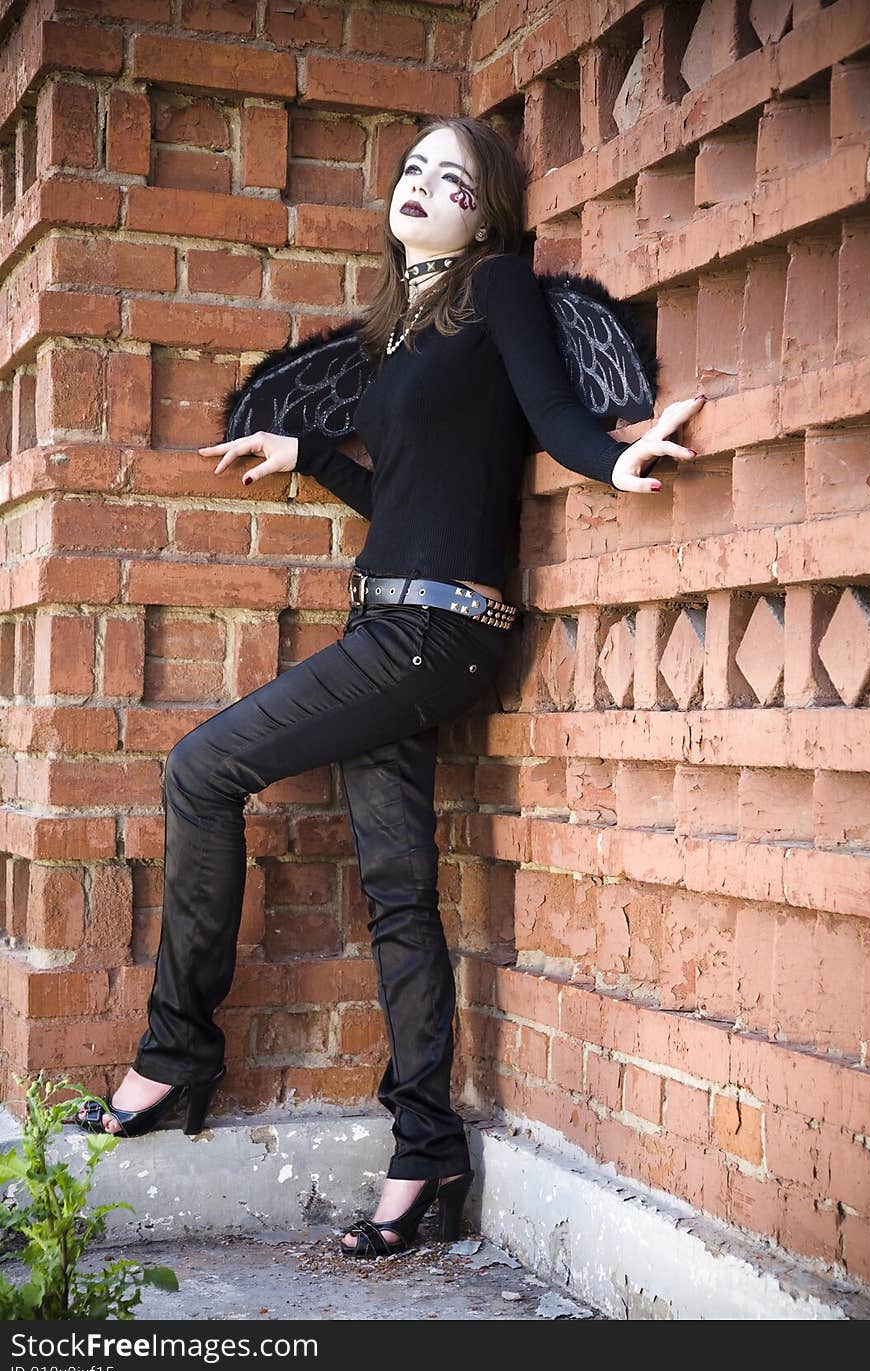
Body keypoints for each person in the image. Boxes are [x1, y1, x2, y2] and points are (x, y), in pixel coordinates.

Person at [75, 116, 705, 1259]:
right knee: (400, 893)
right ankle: (427, 1159)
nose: (422, 186)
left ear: (485, 214)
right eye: (412, 168)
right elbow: (411, 504)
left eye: (451, 178)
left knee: (200, 765)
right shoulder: (394, 335)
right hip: (393, 621)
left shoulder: (499, 289)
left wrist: (614, 457)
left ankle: (175, 1053)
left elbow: (556, 416)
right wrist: (309, 457)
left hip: (436, 631)